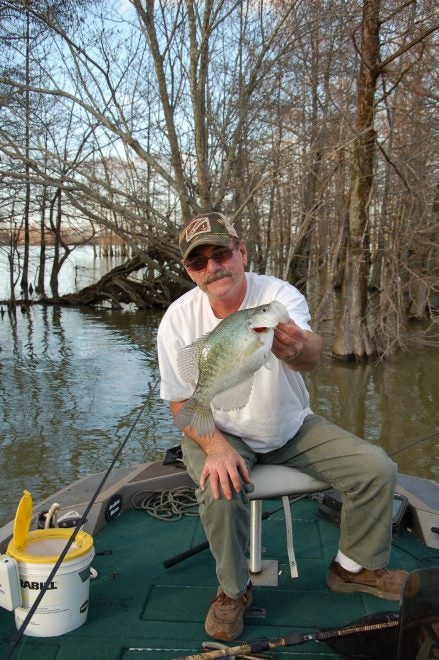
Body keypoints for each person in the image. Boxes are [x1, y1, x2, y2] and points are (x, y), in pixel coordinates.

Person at [157, 211, 408, 642]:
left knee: (376, 468)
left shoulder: (276, 295)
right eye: (200, 262)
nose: (214, 267)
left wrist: (294, 349)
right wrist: (215, 447)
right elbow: (181, 401)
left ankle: (353, 568)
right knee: (219, 489)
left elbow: (310, 355)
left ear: (242, 252)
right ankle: (234, 591)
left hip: (291, 426)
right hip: (222, 428)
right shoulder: (177, 320)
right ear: (189, 272)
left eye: (222, 254)